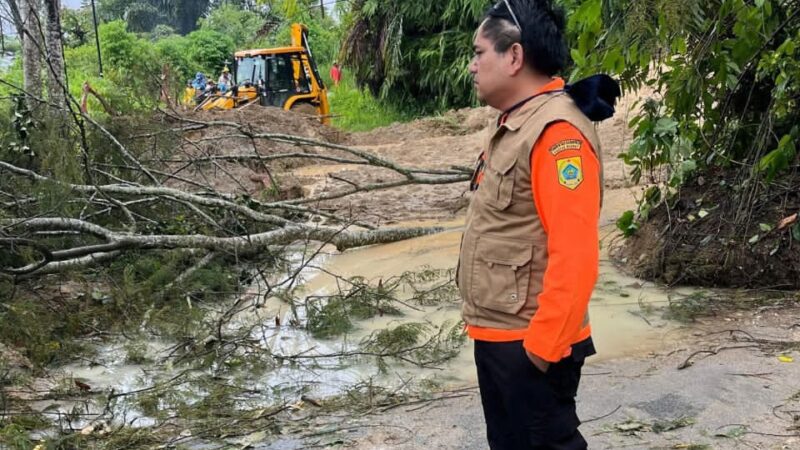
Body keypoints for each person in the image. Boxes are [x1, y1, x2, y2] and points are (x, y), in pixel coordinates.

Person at [457, 1, 619, 449]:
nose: (472, 65)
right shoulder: (517, 124)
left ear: (513, 57)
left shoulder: (556, 133)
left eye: (479, 52)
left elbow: (576, 254)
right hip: (499, 334)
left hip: (529, 343)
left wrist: (542, 351)